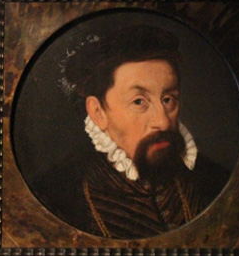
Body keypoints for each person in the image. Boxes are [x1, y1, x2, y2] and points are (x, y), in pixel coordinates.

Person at [33, 23, 229, 239]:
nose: (163, 122)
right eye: (139, 102)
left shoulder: (216, 181)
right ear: (98, 112)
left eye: (168, 100)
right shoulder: (56, 197)